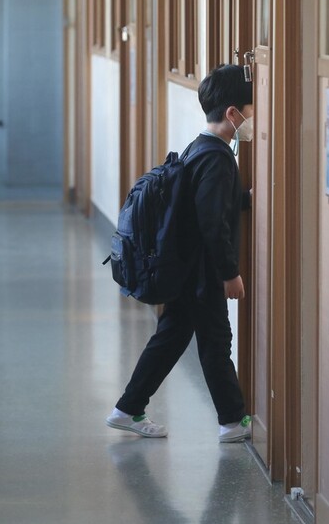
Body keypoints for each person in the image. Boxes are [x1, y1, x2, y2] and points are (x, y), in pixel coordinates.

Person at [106, 64, 254, 443]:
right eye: (252, 111)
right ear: (233, 114)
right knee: (216, 342)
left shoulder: (199, 147)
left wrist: (242, 200)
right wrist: (229, 272)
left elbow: (205, 202)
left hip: (185, 267)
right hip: (201, 272)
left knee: (174, 339)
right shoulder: (219, 158)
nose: (255, 119)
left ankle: (127, 408)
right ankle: (233, 421)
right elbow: (210, 221)